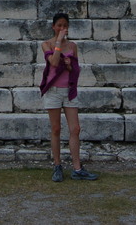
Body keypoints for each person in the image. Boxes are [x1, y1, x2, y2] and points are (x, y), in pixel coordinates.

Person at [39, 12, 98, 182]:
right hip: (53, 91)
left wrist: (70, 67)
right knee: (56, 129)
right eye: (59, 25)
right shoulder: (46, 44)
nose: (62, 28)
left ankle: (77, 168)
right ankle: (57, 166)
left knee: (75, 129)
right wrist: (58, 42)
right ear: (53, 26)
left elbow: (76, 70)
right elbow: (53, 62)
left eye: (65, 26)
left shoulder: (72, 46)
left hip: (69, 91)